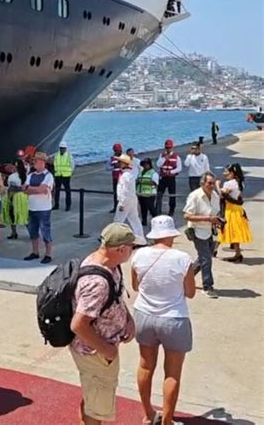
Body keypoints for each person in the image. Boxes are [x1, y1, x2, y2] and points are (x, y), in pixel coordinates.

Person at [70, 223, 138, 425]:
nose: (132, 252)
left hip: (101, 349)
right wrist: (107, 350)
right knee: (98, 410)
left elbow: (115, 296)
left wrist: (128, 319)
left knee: (93, 395)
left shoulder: (109, 264)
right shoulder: (96, 282)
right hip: (95, 353)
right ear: (121, 249)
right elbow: (79, 324)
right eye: (132, 247)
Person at [131, 215, 196, 425]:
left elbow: (135, 286)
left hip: (144, 314)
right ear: (171, 234)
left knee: (145, 365)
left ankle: (148, 414)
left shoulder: (139, 255)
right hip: (173, 318)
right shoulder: (182, 258)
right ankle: (167, 420)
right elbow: (191, 292)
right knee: (173, 372)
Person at [183, 172, 221, 299]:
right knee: (206, 259)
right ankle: (208, 286)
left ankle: (185, 278)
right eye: (209, 183)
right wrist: (207, 218)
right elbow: (187, 216)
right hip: (197, 230)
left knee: (204, 257)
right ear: (202, 183)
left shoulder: (215, 196)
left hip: (211, 231)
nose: (211, 186)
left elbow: (216, 212)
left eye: (213, 183)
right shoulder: (195, 196)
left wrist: (217, 221)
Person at [23, 152, 54, 264]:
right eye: (34, 161)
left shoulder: (48, 176)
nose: (34, 163)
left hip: (44, 208)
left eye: (36, 161)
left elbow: (42, 189)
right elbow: (25, 189)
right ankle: (35, 252)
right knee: (33, 231)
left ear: (42, 162)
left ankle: (48, 254)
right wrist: (35, 189)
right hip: (32, 207)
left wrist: (30, 189)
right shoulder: (31, 175)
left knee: (45, 230)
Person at [217, 163, 252, 262]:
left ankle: (216, 250)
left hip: (230, 209)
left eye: (226, 172)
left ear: (232, 173)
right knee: (233, 231)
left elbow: (222, 195)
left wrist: (217, 185)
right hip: (237, 209)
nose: (224, 173)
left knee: (227, 229)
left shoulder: (229, 184)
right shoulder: (240, 183)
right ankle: (237, 253)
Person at [114, 154, 146, 243]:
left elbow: (125, 191)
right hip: (132, 199)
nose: (119, 163)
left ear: (124, 163)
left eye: (120, 162)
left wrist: (122, 203)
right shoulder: (129, 174)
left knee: (118, 221)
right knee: (134, 219)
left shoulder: (125, 176)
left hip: (126, 200)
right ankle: (141, 239)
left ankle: (115, 239)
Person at [2, 159, 29, 239]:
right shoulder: (11, 175)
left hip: (19, 197)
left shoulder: (24, 175)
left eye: (13, 166)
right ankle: (13, 232)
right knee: (11, 214)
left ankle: (32, 232)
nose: (12, 167)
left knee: (23, 214)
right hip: (10, 196)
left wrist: (16, 189)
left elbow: (25, 187)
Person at [156, 139, 182, 217]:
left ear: (172, 147)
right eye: (167, 147)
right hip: (163, 177)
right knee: (159, 193)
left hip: (171, 178)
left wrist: (171, 172)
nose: (168, 149)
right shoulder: (162, 155)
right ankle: (158, 209)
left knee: (172, 195)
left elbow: (179, 168)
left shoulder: (176, 156)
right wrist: (164, 158)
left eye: (169, 147)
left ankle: (171, 209)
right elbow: (158, 164)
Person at [136, 158, 159, 227]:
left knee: (151, 209)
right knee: (143, 208)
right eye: (143, 165)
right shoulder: (140, 172)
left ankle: (156, 221)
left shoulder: (153, 173)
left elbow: (155, 183)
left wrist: (143, 181)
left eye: (145, 165)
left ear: (149, 164)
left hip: (150, 194)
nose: (144, 166)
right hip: (141, 193)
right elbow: (137, 181)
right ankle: (144, 221)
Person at [53, 141, 75, 211]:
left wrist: (70, 172)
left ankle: (68, 205)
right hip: (58, 175)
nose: (62, 149)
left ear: (66, 148)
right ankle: (56, 204)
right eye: (61, 148)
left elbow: (72, 165)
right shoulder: (56, 155)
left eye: (63, 148)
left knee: (67, 191)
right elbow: (55, 164)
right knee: (57, 191)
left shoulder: (69, 155)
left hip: (66, 175)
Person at [108, 143, 123, 213]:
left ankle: (121, 207)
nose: (119, 151)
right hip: (115, 177)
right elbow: (108, 167)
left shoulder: (124, 157)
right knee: (116, 193)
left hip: (122, 178)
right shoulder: (112, 158)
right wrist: (114, 166)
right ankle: (116, 207)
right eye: (117, 150)